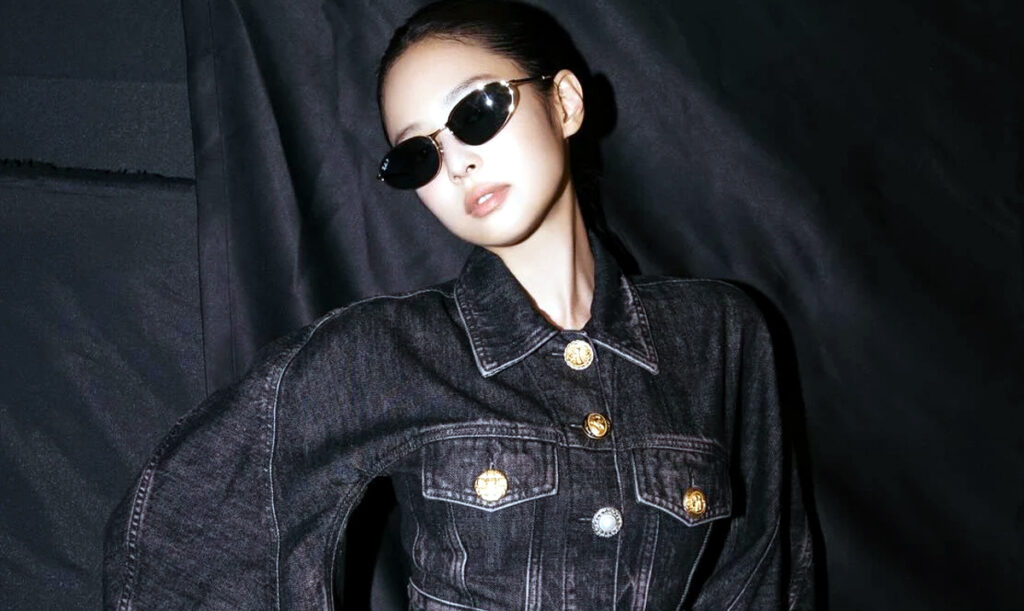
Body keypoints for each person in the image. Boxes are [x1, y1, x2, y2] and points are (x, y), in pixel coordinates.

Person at [103, 0, 815, 608]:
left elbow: (757, 575)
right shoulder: (389, 352)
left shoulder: (719, 333)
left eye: (477, 112)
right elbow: (189, 525)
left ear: (565, 103)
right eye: (418, 155)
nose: (457, 163)